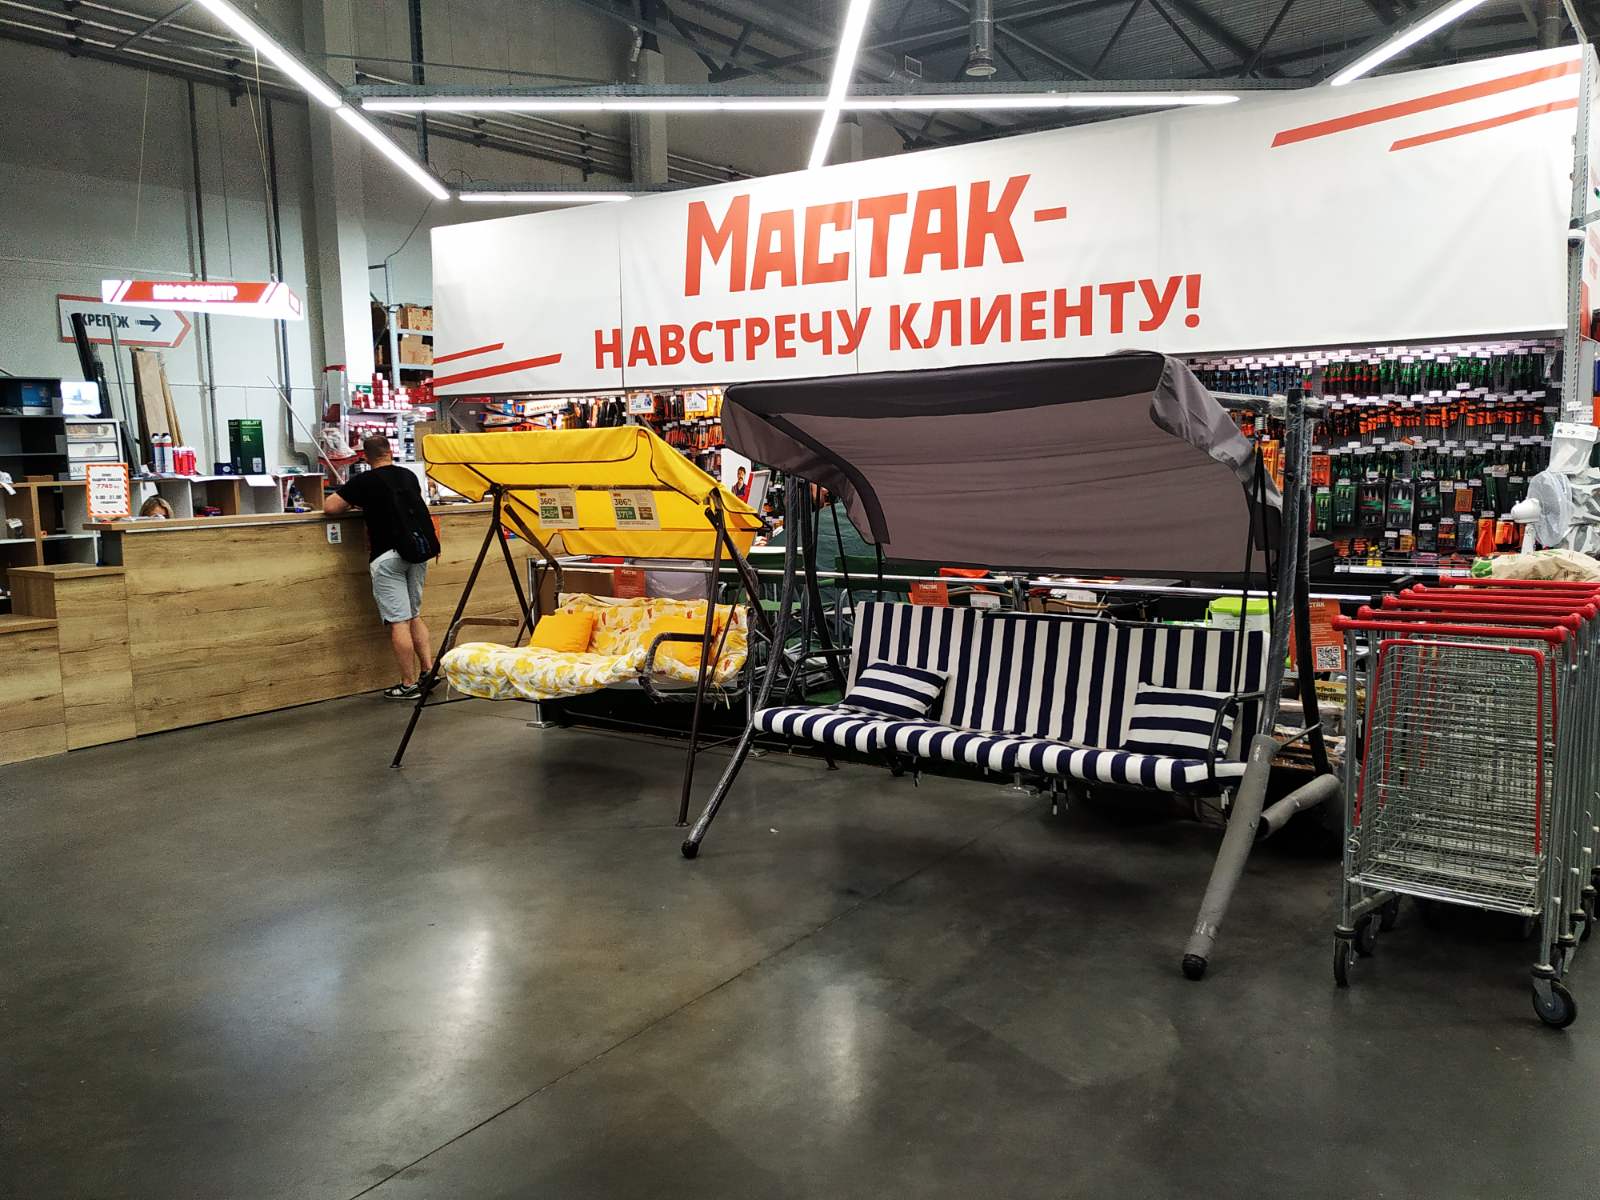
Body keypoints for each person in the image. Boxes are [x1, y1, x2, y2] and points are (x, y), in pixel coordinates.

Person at [325, 436, 437, 699]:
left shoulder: (364, 481)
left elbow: (330, 507)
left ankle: (408, 684)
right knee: (414, 615)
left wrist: (357, 501)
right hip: (417, 552)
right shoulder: (408, 476)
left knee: (399, 621)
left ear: (365, 457)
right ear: (390, 452)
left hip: (387, 556)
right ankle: (428, 672)